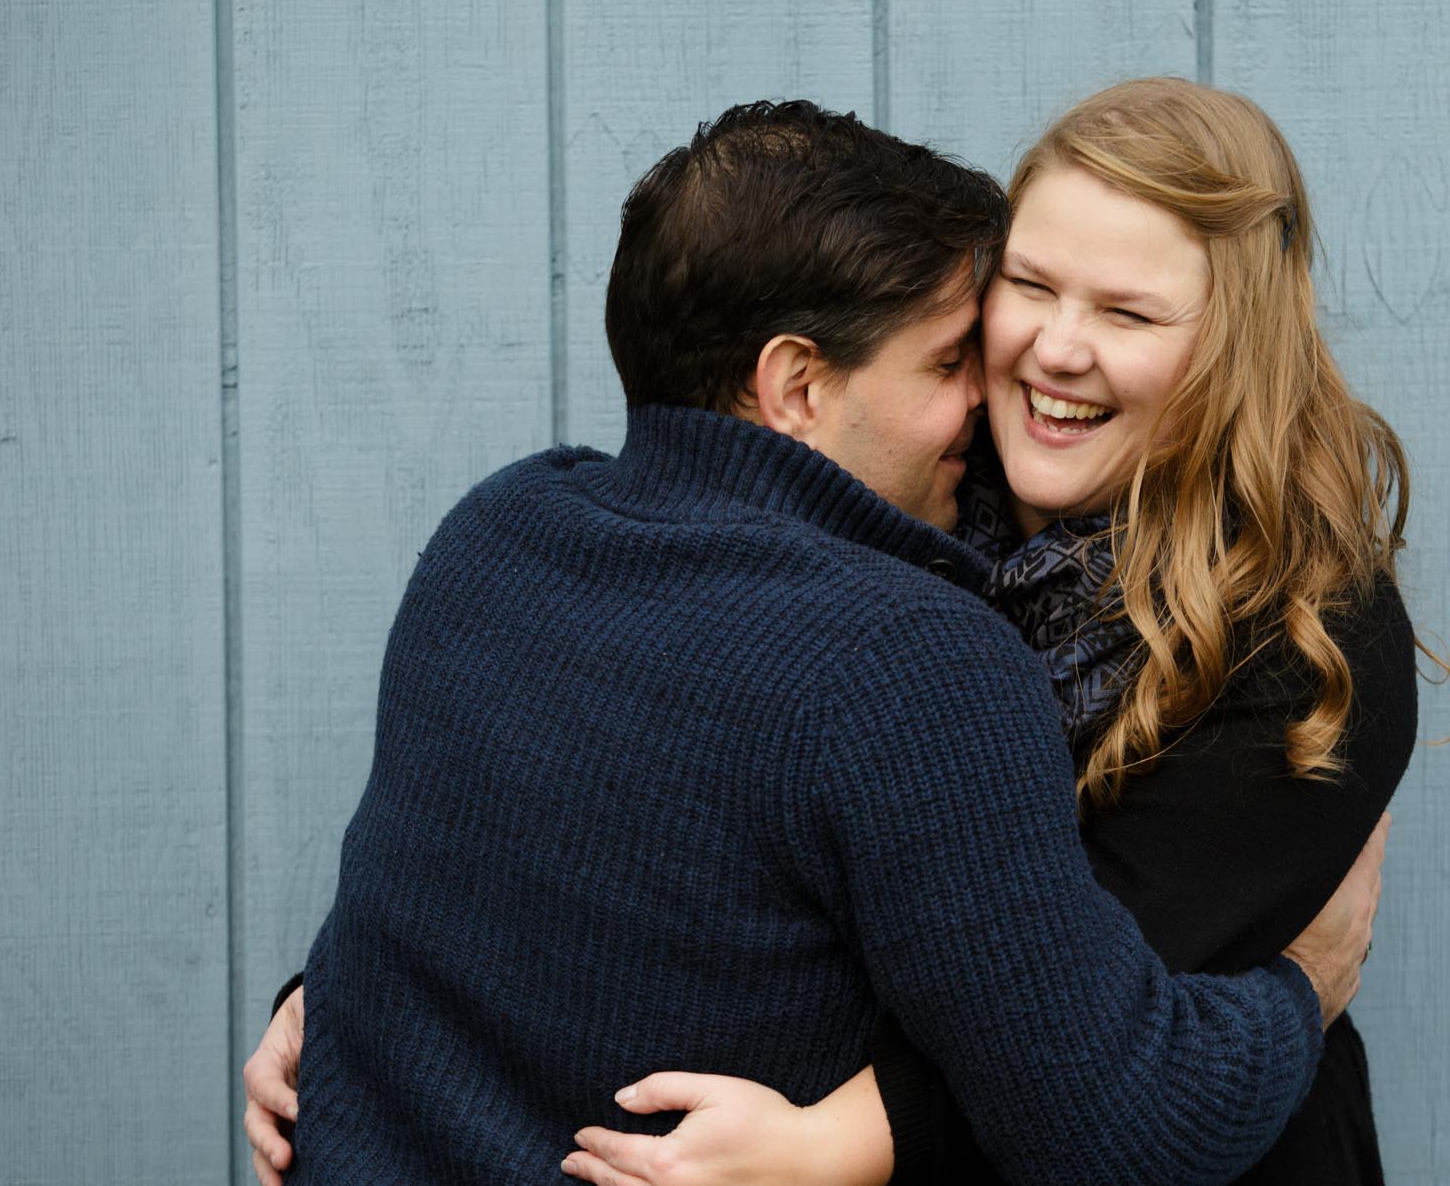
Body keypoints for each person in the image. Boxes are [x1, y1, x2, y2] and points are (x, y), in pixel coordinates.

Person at [243, 100, 1385, 1186]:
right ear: (792, 384)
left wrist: (342, 1011)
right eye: (976, 337)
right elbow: (1114, 1123)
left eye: (1126, 312)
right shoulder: (907, 649)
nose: (1019, 373)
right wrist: (1303, 987)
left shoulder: (502, 527)